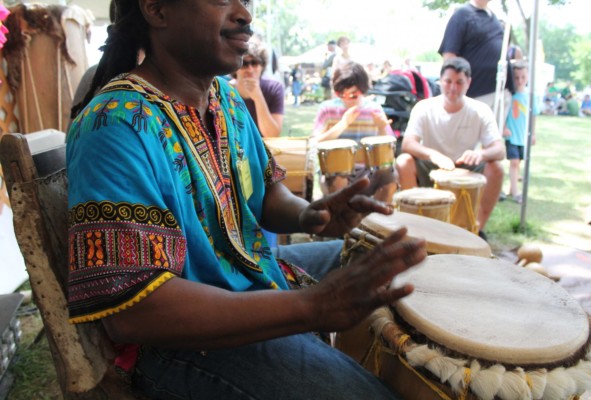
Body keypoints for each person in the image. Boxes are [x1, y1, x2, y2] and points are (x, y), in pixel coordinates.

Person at [66, 1, 427, 399]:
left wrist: (310, 215)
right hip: (179, 346)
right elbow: (136, 314)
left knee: (391, 262)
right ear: (156, 10)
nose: (245, 14)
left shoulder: (226, 98)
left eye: (248, 1)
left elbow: (268, 192)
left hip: (248, 277)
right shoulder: (115, 124)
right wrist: (312, 306)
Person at [395, 57, 505, 239]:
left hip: (465, 166)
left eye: (459, 82)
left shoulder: (480, 109)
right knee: (403, 161)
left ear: (468, 83)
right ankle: (416, 227)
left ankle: (475, 230)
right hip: (430, 166)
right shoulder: (424, 107)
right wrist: (432, 154)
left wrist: (480, 154)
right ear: (440, 81)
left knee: (496, 168)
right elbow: (408, 144)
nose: (453, 88)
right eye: (448, 81)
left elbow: (499, 150)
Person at [312, 61, 398, 204]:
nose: (347, 99)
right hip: (334, 172)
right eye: (341, 94)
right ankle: (340, 221)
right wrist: (343, 124)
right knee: (339, 180)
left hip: (368, 171)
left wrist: (382, 127)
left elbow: (389, 149)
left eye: (352, 95)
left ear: (362, 90)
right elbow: (315, 142)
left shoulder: (373, 110)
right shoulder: (327, 109)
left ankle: (380, 220)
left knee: (389, 176)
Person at [438, 0, 513, 120]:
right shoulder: (462, 15)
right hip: (475, 94)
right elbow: (449, 56)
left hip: (499, 91)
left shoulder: (494, 18)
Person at [230, 42, 284, 137]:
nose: (250, 69)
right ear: (235, 67)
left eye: (254, 63)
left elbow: (272, 135)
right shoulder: (224, 91)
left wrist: (258, 97)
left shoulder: (274, 88)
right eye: (244, 64)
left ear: (262, 65)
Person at [503, 60, 537, 204]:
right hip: (512, 136)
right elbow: (503, 112)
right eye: (516, 77)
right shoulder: (509, 95)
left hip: (523, 136)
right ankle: (516, 192)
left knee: (519, 163)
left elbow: (533, 116)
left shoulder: (530, 97)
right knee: (514, 162)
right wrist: (504, 127)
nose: (519, 81)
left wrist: (533, 133)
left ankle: (511, 188)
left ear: (528, 76)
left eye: (523, 77)